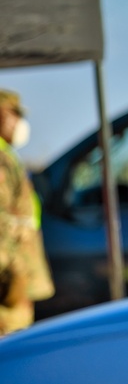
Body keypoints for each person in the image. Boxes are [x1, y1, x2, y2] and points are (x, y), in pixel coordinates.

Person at [0, 90, 54, 335]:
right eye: (13, 115)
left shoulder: (8, 157)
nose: (18, 124)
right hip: (7, 289)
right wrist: (12, 281)